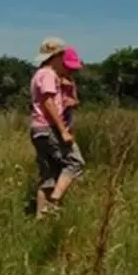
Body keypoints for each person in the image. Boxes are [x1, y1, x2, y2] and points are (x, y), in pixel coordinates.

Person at [28, 37, 79, 219]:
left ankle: (40, 217)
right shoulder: (48, 74)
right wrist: (63, 130)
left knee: (48, 176)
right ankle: (53, 203)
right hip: (48, 127)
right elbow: (49, 103)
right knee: (75, 163)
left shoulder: (39, 74)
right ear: (56, 56)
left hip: (37, 128)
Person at [60, 46, 86, 178]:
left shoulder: (71, 81)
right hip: (54, 124)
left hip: (68, 122)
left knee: (71, 153)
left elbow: (77, 102)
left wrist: (72, 102)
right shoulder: (52, 78)